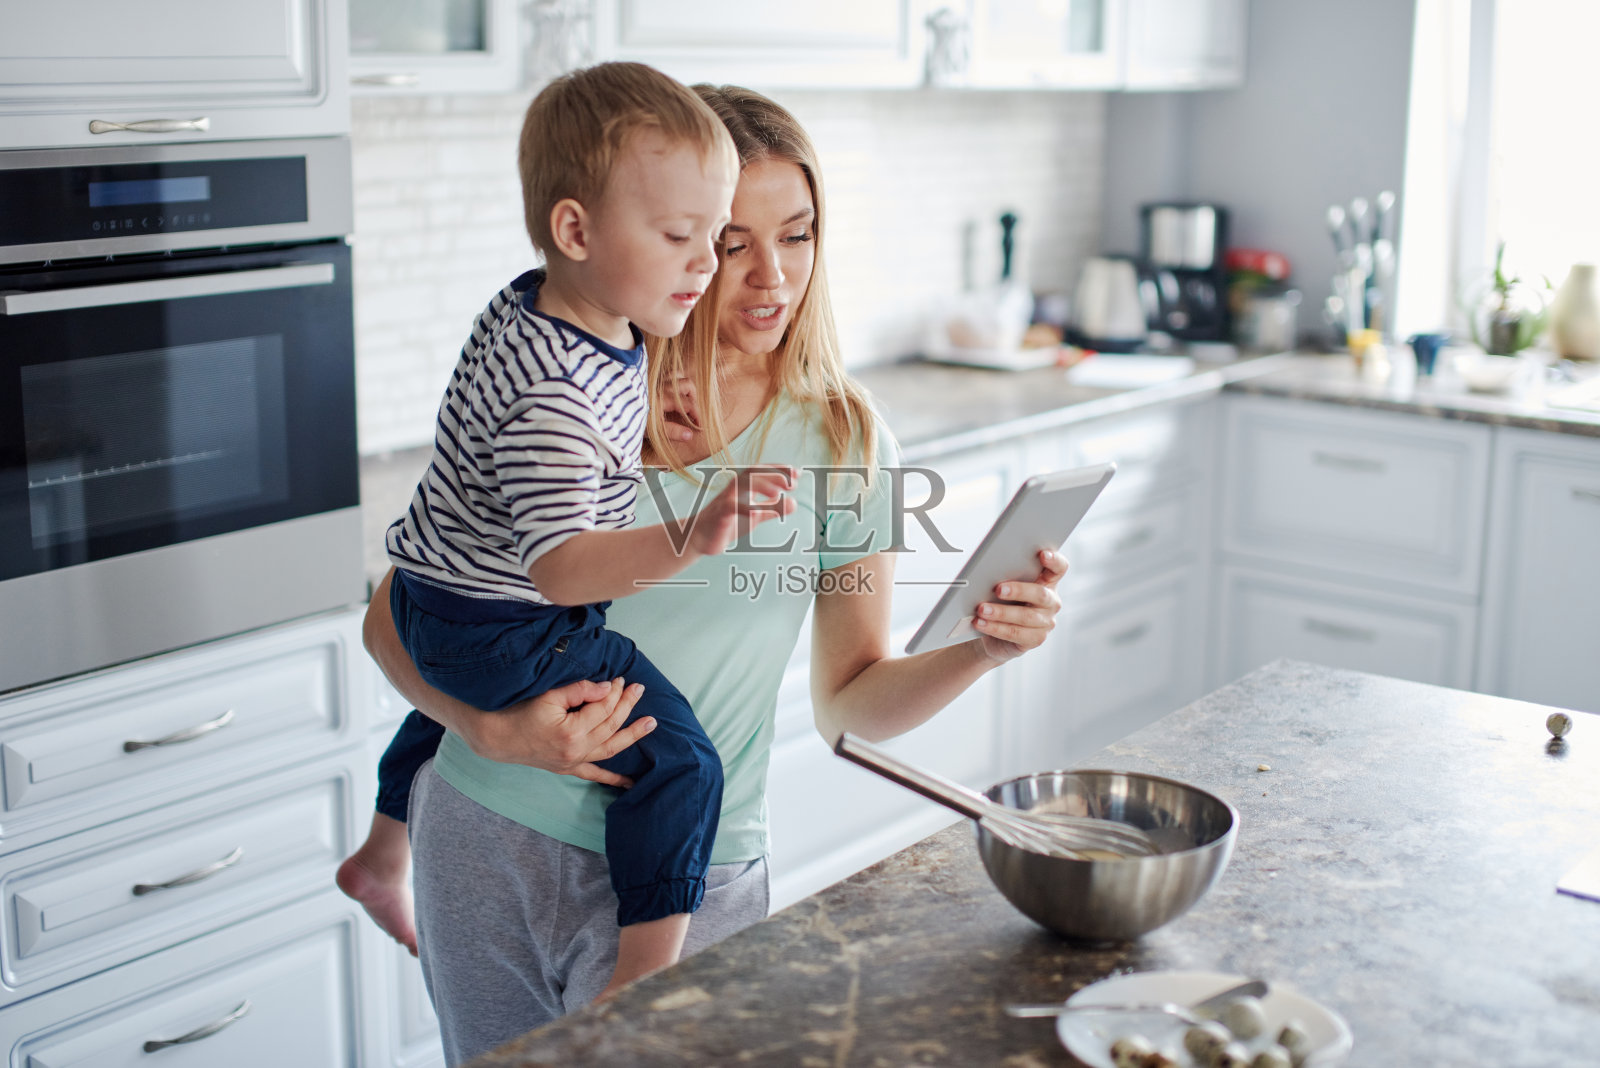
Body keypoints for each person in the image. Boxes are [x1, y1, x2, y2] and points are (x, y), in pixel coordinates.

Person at [362, 84, 1069, 1066]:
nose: (769, 276)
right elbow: (393, 617)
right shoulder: (582, 393)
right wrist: (486, 728)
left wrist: (979, 650)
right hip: (490, 834)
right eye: (731, 242)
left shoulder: (843, 439)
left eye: (797, 233)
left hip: (697, 870)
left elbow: (850, 706)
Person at [338, 61, 800, 1004]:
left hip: (439, 593)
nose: (710, 266)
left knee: (449, 686)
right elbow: (563, 572)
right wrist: (691, 534)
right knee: (683, 763)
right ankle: (637, 984)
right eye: (685, 237)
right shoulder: (558, 398)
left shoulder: (546, 309)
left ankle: (382, 853)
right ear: (575, 229)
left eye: (714, 236)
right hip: (504, 615)